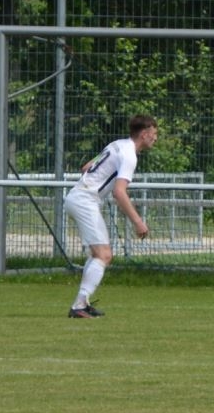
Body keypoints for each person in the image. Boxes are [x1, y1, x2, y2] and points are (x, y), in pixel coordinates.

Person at [65, 115, 158, 318]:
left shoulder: (117, 144)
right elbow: (119, 192)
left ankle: (82, 304)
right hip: (85, 200)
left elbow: (86, 167)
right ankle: (78, 306)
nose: (155, 138)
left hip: (77, 196)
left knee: (97, 255)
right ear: (144, 134)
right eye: (154, 133)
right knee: (104, 255)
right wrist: (138, 222)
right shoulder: (130, 156)